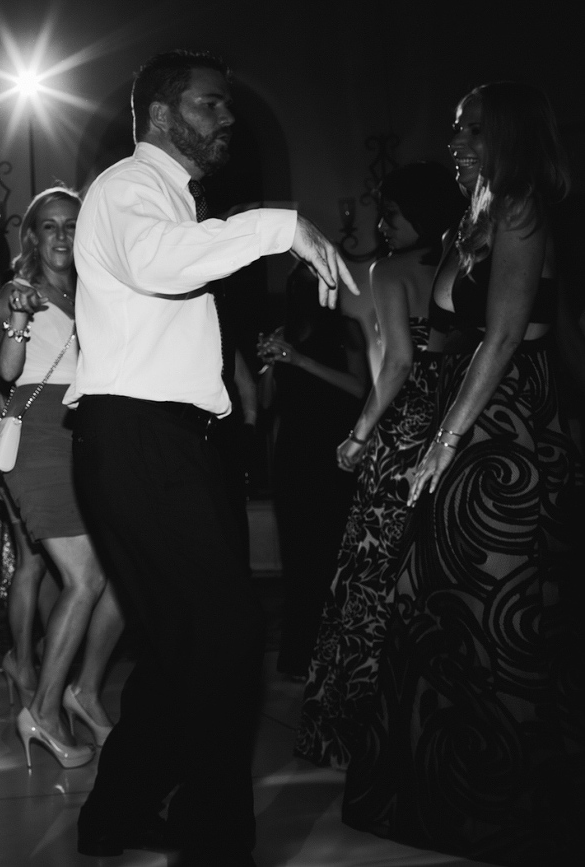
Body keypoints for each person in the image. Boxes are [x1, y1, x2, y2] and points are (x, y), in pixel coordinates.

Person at [67, 50, 356, 865]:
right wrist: (280, 223)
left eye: (226, 107)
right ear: (162, 114)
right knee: (226, 637)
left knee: (177, 647)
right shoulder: (129, 187)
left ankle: (115, 816)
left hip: (158, 441)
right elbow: (159, 264)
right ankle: (214, 842)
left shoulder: (166, 197)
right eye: (210, 105)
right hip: (141, 439)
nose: (227, 119)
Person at [344, 82, 581, 864]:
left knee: (493, 608)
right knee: (435, 600)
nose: (455, 141)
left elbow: (505, 333)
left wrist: (442, 443)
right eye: (452, 129)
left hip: (506, 432)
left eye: (471, 129)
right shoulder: (472, 216)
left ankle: (499, 801)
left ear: (509, 133)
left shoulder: (520, 206)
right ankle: (437, 786)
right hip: (466, 420)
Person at [296, 162, 467, 768]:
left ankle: (354, 727)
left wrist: (359, 434)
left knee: (370, 579)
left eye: (391, 215)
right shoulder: (462, 262)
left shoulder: (388, 270)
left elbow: (396, 364)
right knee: (430, 574)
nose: (383, 227)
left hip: (407, 429)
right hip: (460, 419)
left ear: (418, 213)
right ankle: (429, 723)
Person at [0, 187, 123, 768]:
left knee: (123, 574)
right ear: (32, 237)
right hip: (41, 435)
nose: (62, 236)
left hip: (94, 432)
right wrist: (19, 317)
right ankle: (43, 709)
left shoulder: (100, 290)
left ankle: (85, 690)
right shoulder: (19, 291)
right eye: (49, 227)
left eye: (72, 224)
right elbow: (7, 370)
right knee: (83, 577)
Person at [259, 264, 369, 677]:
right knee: (296, 557)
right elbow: (268, 402)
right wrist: (270, 362)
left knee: (332, 553)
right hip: (292, 457)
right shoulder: (283, 330)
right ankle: (298, 656)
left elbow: (359, 389)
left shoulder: (348, 330)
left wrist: (300, 360)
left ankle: (338, 654)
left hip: (333, 453)